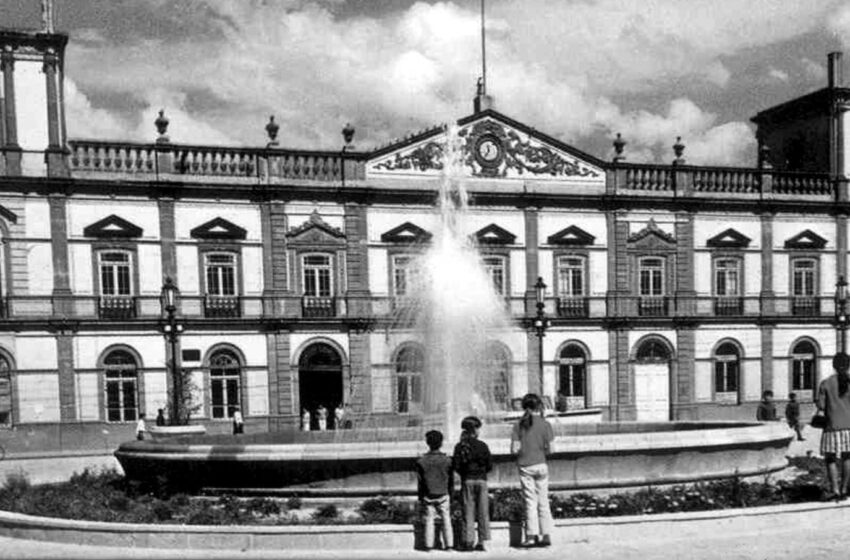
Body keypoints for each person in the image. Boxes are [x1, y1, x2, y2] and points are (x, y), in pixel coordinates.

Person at [510, 393, 554, 548]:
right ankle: (546, 535)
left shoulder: (518, 425)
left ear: (524, 407)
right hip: (541, 465)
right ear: (539, 406)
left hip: (525, 466)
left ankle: (531, 536)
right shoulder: (545, 424)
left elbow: (514, 449)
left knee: (530, 502)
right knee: (543, 501)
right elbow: (551, 449)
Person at [453, 416, 492, 552]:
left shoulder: (460, 446)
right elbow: (489, 465)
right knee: (483, 512)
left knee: (467, 512)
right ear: (475, 430)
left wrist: (464, 473)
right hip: (481, 480)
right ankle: (482, 541)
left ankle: (468, 541)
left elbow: (456, 466)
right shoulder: (482, 445)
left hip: (467, 480)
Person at [816, 353, 850, 500]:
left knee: (830, 459)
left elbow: (821, 405)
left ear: (834, 366)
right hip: (849, 427)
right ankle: (844, 489)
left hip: (831, 426)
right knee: (847, 457)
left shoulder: (826, 383)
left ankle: (835, 490)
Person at [416, 430, 454, 551]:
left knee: (429, 520)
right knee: (446, 519)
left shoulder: (421, 461)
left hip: (428, 494)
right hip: (443, 493)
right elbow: (451, 480)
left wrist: (420, 496)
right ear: (441, 443)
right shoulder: (447, 460)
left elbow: (420, 482)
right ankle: (449, 545)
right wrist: (451, 494)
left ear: (427, 443)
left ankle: (428, 546)